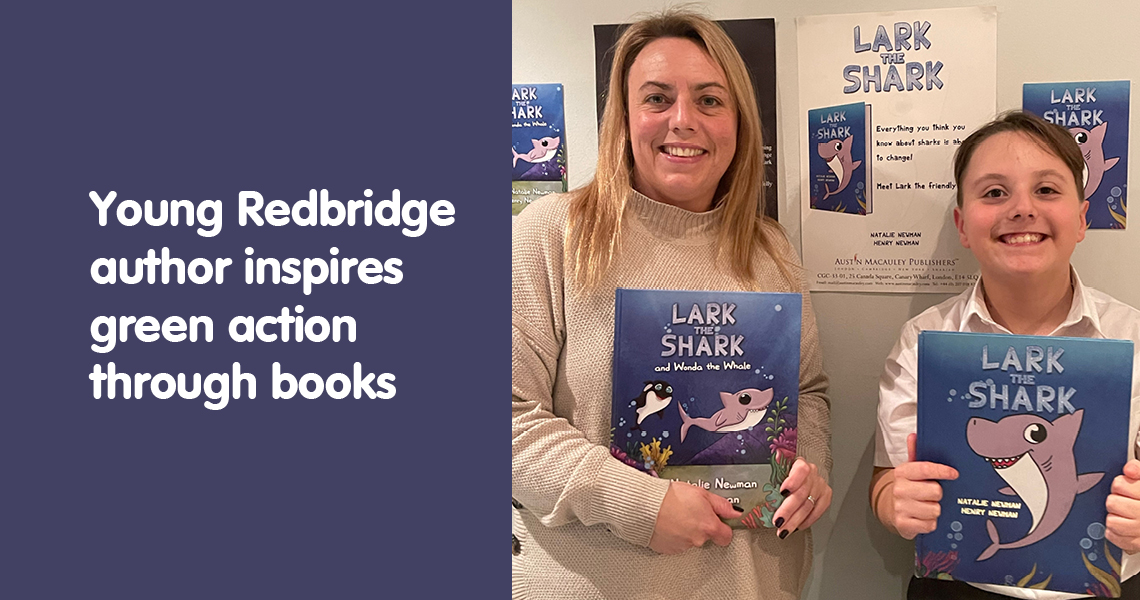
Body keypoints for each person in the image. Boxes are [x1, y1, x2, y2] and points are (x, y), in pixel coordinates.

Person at [511, 9, 832, 600]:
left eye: (710, 100)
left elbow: (806, 391)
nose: (683, 120)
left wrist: (809, 469)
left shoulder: (771, 251)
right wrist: (640, 502)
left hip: (751, 584)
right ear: (624, 119)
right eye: (657, 98)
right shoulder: (551, 233)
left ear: (738, 121)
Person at [870, 110, 1140, 599]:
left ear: (1081, 219)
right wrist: (894, 504)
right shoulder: (922, 341)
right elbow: (887, 480)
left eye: (1047, 190)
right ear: (962, 224)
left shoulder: (1135, 339)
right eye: (994, 192)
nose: (1021, 209)